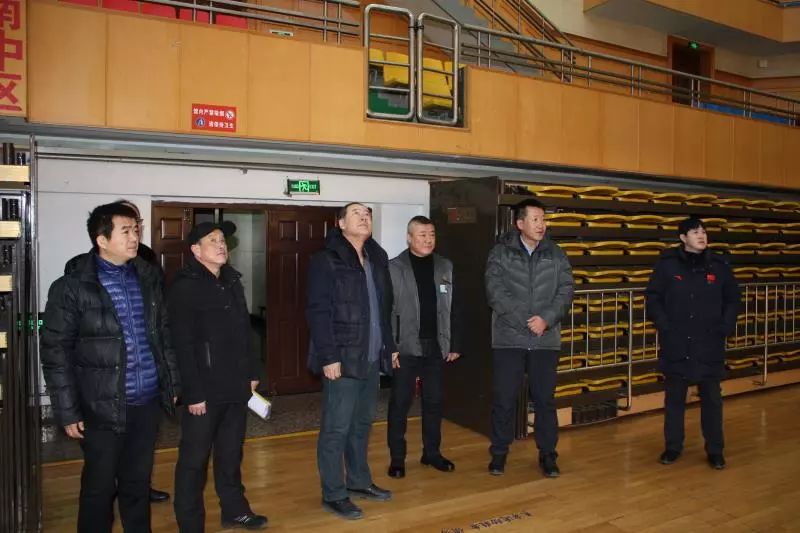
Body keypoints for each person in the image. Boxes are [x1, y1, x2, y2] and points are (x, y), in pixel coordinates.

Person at [40, 202, 180, 533]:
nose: (135, 237)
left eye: (136, 230)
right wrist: (67, 411)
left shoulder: (148, 278)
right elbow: (55, 351)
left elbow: (162, 335)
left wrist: (171, 382)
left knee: (137, 483)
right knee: (99, 489)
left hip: (146, 401)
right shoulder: (72, 287)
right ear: (101, 240)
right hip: (99, 406)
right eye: (126, 231)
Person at [169, 221, 267, 531]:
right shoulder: (184, 286)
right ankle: (190, 522)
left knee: (230, 454)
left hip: (235, 385)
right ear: (196, 250)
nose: (221, 244)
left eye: (222, 239)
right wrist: (193, 392)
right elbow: (182, 344)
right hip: (204, 390)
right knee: (194, 460)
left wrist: (253, 371)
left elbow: (245, 331)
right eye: (212, 240)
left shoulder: (231, 280)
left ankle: (235, 510)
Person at [307, 202, 396, 521]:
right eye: (356, 214)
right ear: (341, 224)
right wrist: (328, 356)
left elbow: (384, 309)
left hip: (371, 356)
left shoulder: (377, 258)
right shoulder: (326, 259)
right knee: (336, 428)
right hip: (342, 358)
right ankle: (333, 493)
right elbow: (318, 311)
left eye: (368, 214)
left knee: (361, 424)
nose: (364, 218)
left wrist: (390, 346)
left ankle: (358, 481)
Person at [484, 198, 574, 477]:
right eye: (535, 219)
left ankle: (548, 455)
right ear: (520, 223)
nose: (541, 224)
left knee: (545, 400)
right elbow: (495, 291)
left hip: (545, 340)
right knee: (504, 399)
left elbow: (566, 290)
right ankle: (499, 453)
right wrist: (525, 320)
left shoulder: (556, 254)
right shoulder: (500, 253)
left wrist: (546, 319)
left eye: (543, 219)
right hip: (509, 338)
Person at [646, 217, 740, 470]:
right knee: (674, 399)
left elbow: (733, 299)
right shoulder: (667, 265)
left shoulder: (719, 265)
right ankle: (673, 447)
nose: (701, 236)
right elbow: (653, 298)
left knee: (712, 400)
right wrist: (664, 325)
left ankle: (715, 450)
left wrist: (725, 326)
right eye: (695, 232)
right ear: (682, 238)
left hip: (709, 342)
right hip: (677, 341)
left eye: (704, 232)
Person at [386, 215, 463, 478]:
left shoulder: (445, 266)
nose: (428, 240)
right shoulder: (394, 268)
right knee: (400, 404)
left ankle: (432, 453)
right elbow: (385, 311)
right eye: (422, 235)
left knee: (434, 401)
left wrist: (454, 343)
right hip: (405, 346)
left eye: (431, 235)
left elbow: (455, 307)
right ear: (409, 238)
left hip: (436, 346)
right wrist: (390, 346)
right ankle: (397, 459)